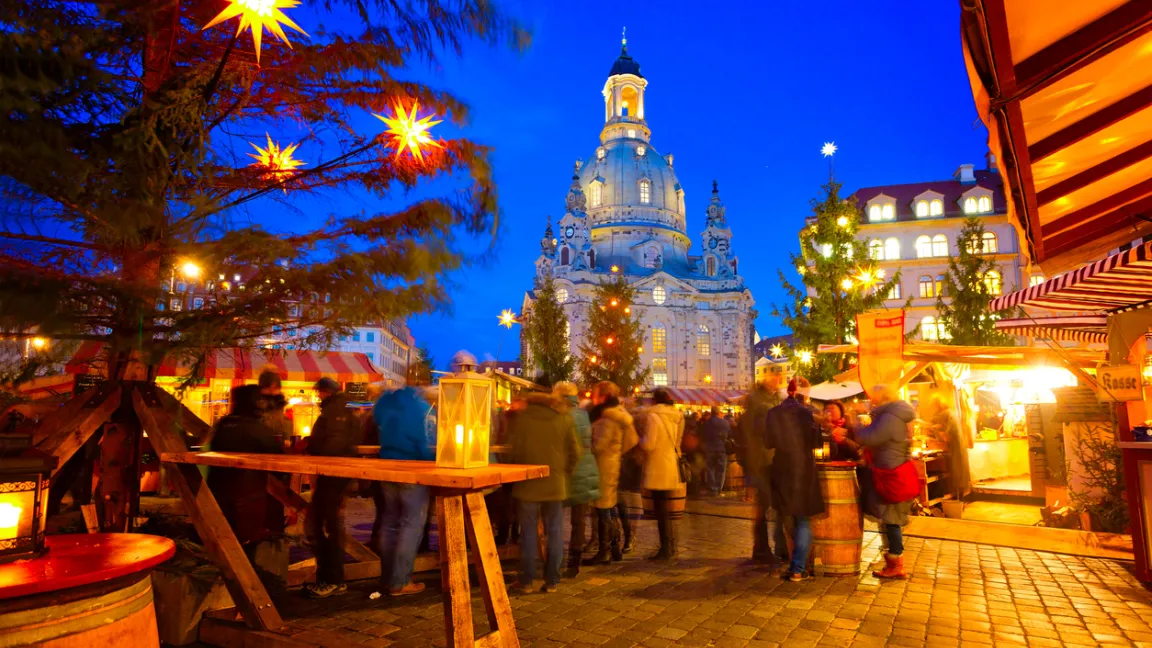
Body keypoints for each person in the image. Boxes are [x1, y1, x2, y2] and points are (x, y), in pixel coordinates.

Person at [508, 393, 580, 593]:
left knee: (528, 533)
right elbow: (575, 452)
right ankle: (552, 580)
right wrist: (563, 472)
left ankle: (527, 580)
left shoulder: (522, 420)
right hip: (555, 483)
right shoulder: (563, 418)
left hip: (527, 482)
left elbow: (514, 451)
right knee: (555, 532)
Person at [207, 385, 286, 556]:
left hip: (218, 491)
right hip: (248, 496)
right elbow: (278, 458)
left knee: (224, 541)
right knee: (246, 545)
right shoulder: (255, 428)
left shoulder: (224, 425)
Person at [373, 385, 435, 596]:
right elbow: (424, 442)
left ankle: (387, 578)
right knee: (411, 524)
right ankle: (400, 581)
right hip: (412, 469)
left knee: (389, 522)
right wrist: (431, 461)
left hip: (387, 465)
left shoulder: (385, 402)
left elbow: (377, 422)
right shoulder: (421, 407)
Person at [852, 385, 918, 580]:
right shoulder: (895, 414)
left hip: (890, 473)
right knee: (890, 519)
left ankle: (896, 564)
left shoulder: (890, 417)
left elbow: (869, 437)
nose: (871, 399)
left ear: (881, 397)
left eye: (873, 396)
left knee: (891, 519)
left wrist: (855, 422)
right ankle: (893, 562)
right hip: (893, 470)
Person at [303, 377, 359, 598]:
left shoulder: (336, 410)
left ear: (326, 391)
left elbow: (335, 443)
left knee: (326, 525)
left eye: (319, 392)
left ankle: (332, 579)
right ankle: (329, 578)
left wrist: (313, 448)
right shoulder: (338, 408)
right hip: (333, 472)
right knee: (323, 524)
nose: (318, 396)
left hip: (333, 472)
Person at [764, 380, 825, 582]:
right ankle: (798, 569)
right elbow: (815, 442)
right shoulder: (805, 413)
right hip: (803, 470)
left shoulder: (773, 413)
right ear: (803, 394)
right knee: (803, 519)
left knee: (784, 517)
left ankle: (787, 559)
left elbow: (768, 442)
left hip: (782, 469)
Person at [586, 381, 637, 564]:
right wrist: (617, 452)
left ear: (603, 396)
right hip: (611, 464)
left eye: (595, 393)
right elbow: (631, 440)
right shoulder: (618, 414)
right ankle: (614, 548)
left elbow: (598, 446)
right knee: (609, 508)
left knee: (603, 510)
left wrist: (585, 445)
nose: (593, 397)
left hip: (603, 467)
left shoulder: (606, 418)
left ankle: (604, 551)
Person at [738, 372, 784, 564]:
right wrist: (751, 470)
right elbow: (750, 438)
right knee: (763, 507)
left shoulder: (772, 399)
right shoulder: (758, 403)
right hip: (762, 462)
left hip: (770, 460)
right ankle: (762, 548)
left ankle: (775, 547)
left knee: (775, 506)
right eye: (774, 377)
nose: (777, 380)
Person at [554, 382, 599, 577]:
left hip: (565, 471)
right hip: (586, 469)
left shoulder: (559, 415)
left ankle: (555, 560)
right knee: (578, 521)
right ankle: (575, 562)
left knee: (555, 518)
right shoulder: (583, 414)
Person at [640, 388, 684, 560]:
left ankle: (666, 548)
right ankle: (671, 545)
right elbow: (677, 442)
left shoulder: (653, 416)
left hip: (657, 466)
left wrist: (640, 441)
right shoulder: (677, 416)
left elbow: (649, 444)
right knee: (666, 508)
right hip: (670, 464)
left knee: (661, 510)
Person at [927, 395, 971, 500]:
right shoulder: (949, 414)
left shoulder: (947, 414)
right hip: (956, 448)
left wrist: (935, 430)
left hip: (956, 449)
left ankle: (958, 498)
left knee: (958, 473)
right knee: (958, 473)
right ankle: (958, 497)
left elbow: (947, 437)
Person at [700, 406, 731, 496]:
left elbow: (703, 435)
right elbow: (729, 434)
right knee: (721, 470)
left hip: (710, 448)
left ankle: (712, 488)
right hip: (722, 448)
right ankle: (718, 489)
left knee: (710, 469)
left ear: (711, 412)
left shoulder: (707, 423)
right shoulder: (725, 423)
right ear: (719, 413)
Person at [257, 369, 292, 446]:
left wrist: (286, 439)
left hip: (278, 446)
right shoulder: (258, 405)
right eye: (269, 387)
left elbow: (283, 427)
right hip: (262, 446)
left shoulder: (280, 405)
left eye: (275, 387)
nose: (272, 391)